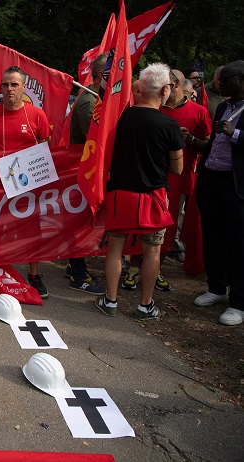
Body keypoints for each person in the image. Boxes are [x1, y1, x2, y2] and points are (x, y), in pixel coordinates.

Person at [96, 62, 184, 319]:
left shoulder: (121, 116)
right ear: (164, 90)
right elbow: (177, 168)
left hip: (119, 193)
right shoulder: (169, 125)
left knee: (115, 248)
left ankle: (110, 301)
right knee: (152, 251)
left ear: (141, 88)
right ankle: (145, 304)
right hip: (153, 196)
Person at [0, 65, 51, 298]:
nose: (9, 89)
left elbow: (44, 146)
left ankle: (34, 275)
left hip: (26, 183)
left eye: (14, 85)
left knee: (30, 230)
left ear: (23, 87)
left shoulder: (37, 115)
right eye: (5, 85)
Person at [194, 60, 244, 325]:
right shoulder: (224, 106)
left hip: (235, 185)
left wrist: (235, 133)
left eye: (225, 80)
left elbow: (231, 137)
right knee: (213, 236)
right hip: (211, 179)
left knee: (238, 243)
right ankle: (216, 287)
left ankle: (239, 302)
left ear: (242, 79)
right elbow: (214, 141)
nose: (219, 84)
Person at [157, 69, 211, 268]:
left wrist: (191, 140)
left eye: (164, 84)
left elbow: (209, 144)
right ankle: (136, 265)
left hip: (179, 178)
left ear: (175, 85)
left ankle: (157, 268)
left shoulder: (199, 112)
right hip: (150, 175)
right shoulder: (155, 107)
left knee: (168, 225)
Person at [65, 54, 108, 295]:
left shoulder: (96, 99)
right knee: (80, 224)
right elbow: (95, 140)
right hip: (84, 173)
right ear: (102, 75)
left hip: (87, 172)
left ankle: (75, 268)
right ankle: (78, 274)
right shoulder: (89, 104)